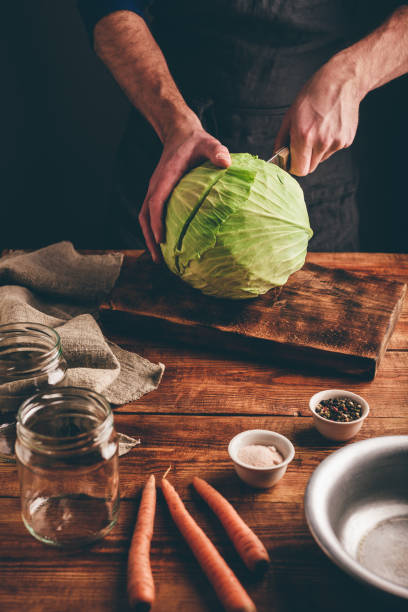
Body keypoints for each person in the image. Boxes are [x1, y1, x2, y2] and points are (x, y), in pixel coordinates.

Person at [78, 1, 408, 260]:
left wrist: (353, 75)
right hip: (170, 163)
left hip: (314, 178)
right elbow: (107, 4)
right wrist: (173, 120)